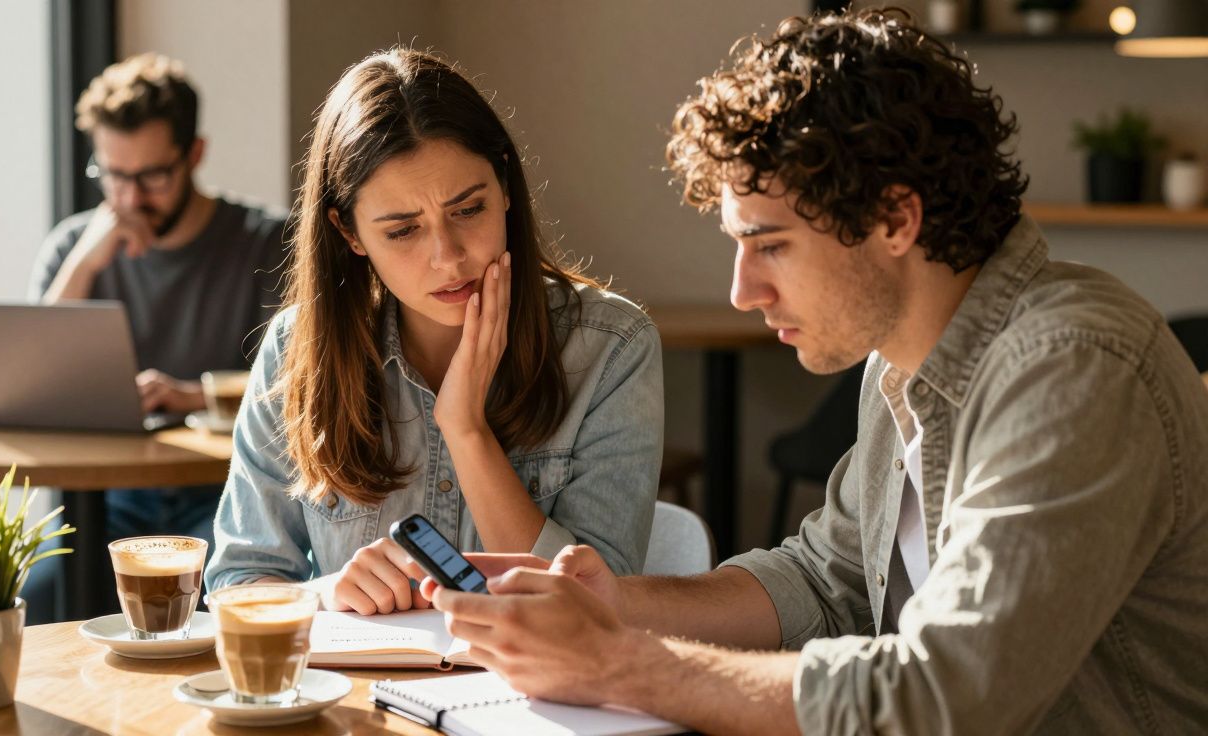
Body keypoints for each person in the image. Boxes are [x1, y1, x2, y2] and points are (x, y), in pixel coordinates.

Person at [428, 8, 1208, 734]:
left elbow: (952, 696)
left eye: (770, 245)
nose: (743, 291)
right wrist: (616, 604)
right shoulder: (899, 365)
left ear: (896, 218)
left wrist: (621, 665)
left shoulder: (1072, 370)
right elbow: (827, 578)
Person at [203, 49, 664, 614]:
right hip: (355, 700)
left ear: (506, 187)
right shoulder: (296, 351)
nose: (448, 258)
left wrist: (465, 429)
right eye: (402, 231)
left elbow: (595, 606)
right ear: (348, 233)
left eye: (468, 210)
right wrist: (324, 593)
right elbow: (239, 581)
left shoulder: (611, 348)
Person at [29, 53, 287, 548]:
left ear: (194, 155)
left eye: (151, 177)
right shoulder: (72, 247)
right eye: (112, 175)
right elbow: (33, 384)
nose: (129, 199)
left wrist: (190, 396)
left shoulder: (267, 242)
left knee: (215, 596)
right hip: (105, 500)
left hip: (229, 494)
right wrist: (84, 265)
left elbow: (296, 385)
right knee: (37, 593)